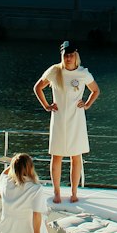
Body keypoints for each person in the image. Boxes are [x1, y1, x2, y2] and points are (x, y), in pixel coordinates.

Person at [33, 41, 100, 203]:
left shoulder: (83, 73)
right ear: (62, 56)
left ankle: (74, 192)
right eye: (66, 55)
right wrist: (47, 106)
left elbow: (95, 90)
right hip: (59, 117)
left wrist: (88, 104)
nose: (68, 58)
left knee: (76, 156)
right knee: (57, 155)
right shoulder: (55, 71)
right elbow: (38, 87)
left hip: (76, 118)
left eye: (71, 55)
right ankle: (56, 192)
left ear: (76, 55)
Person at [0, 152, 52, 233]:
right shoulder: (35, 188)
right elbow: (36, 215)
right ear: (30, 167)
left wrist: (14, 162)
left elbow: (4, 173)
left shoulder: (6, 182)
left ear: (13, 168)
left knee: (42, 216)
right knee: (43, 216)